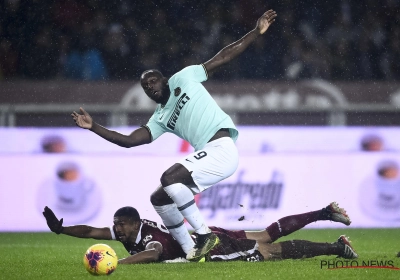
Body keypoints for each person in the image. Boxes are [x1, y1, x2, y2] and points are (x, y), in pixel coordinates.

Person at [71, 9, 278, 261]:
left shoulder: (185, 77)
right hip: (210, 156)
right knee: (158, 197)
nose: (150, 87)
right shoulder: (159, 117)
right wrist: (94, 126)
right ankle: (191, 251)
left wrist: (255, 32)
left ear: (165, 79)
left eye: (153, 81)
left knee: (169, 178)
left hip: (222, 148)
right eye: (145, 86)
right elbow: (129, 141)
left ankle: (204, 236)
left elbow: (223, 56)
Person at [42, 201, 358, 264]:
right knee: (264, 236)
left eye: (121, 225)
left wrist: (117, 264)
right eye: (116, 226)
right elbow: (91, 230)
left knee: (269, 250)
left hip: (213, 245)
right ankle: (324, 213)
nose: (116, 230)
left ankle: (335, 247)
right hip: (205, 234)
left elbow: (153, 254)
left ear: (136, 224)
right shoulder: (128, 234)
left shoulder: (150, 239)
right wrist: (62, 229)